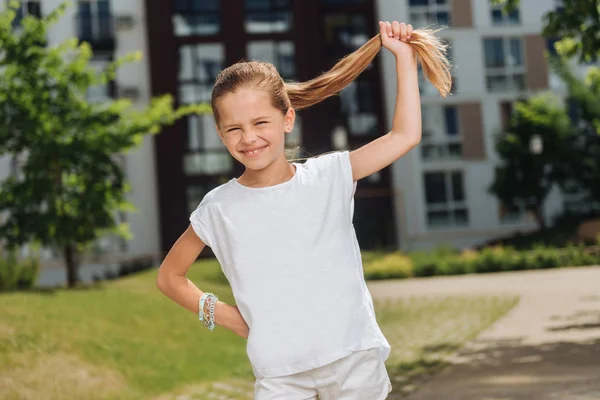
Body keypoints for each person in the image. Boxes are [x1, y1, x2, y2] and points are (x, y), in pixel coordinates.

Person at [157, 20, 452, 400]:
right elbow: (170, 277)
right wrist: (226, 316)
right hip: (279, 376)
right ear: (220, 133)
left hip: (353, 363)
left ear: (287, 119)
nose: (248, 138)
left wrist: (404, 59)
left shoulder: (331, 175)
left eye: (260, 122)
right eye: (233, 129)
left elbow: (404, 136)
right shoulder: (218, 207)